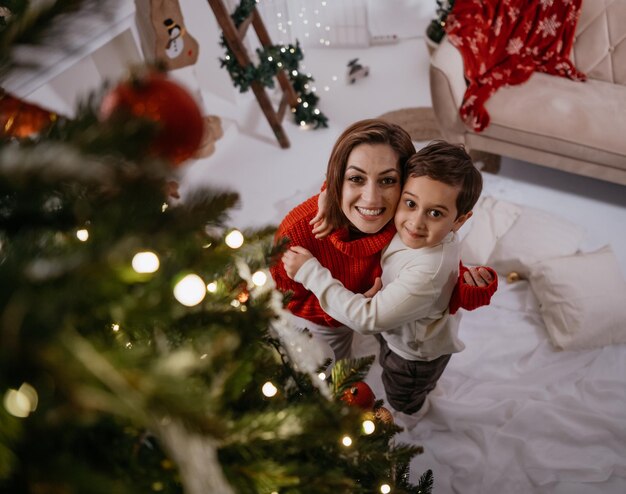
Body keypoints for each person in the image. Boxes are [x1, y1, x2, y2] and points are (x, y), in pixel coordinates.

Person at [282, 141, 496, 415]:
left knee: (403, 396)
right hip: (398, 327)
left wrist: (309, 272)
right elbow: (370, 184)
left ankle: (413, 414)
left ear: (459, 221)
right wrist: (330, 194)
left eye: (435, 213)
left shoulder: (427, 272)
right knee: (385, 353)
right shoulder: (419, 231)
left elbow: (368, 319)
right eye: (410, 203)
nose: (415, 222)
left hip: (414, 356)